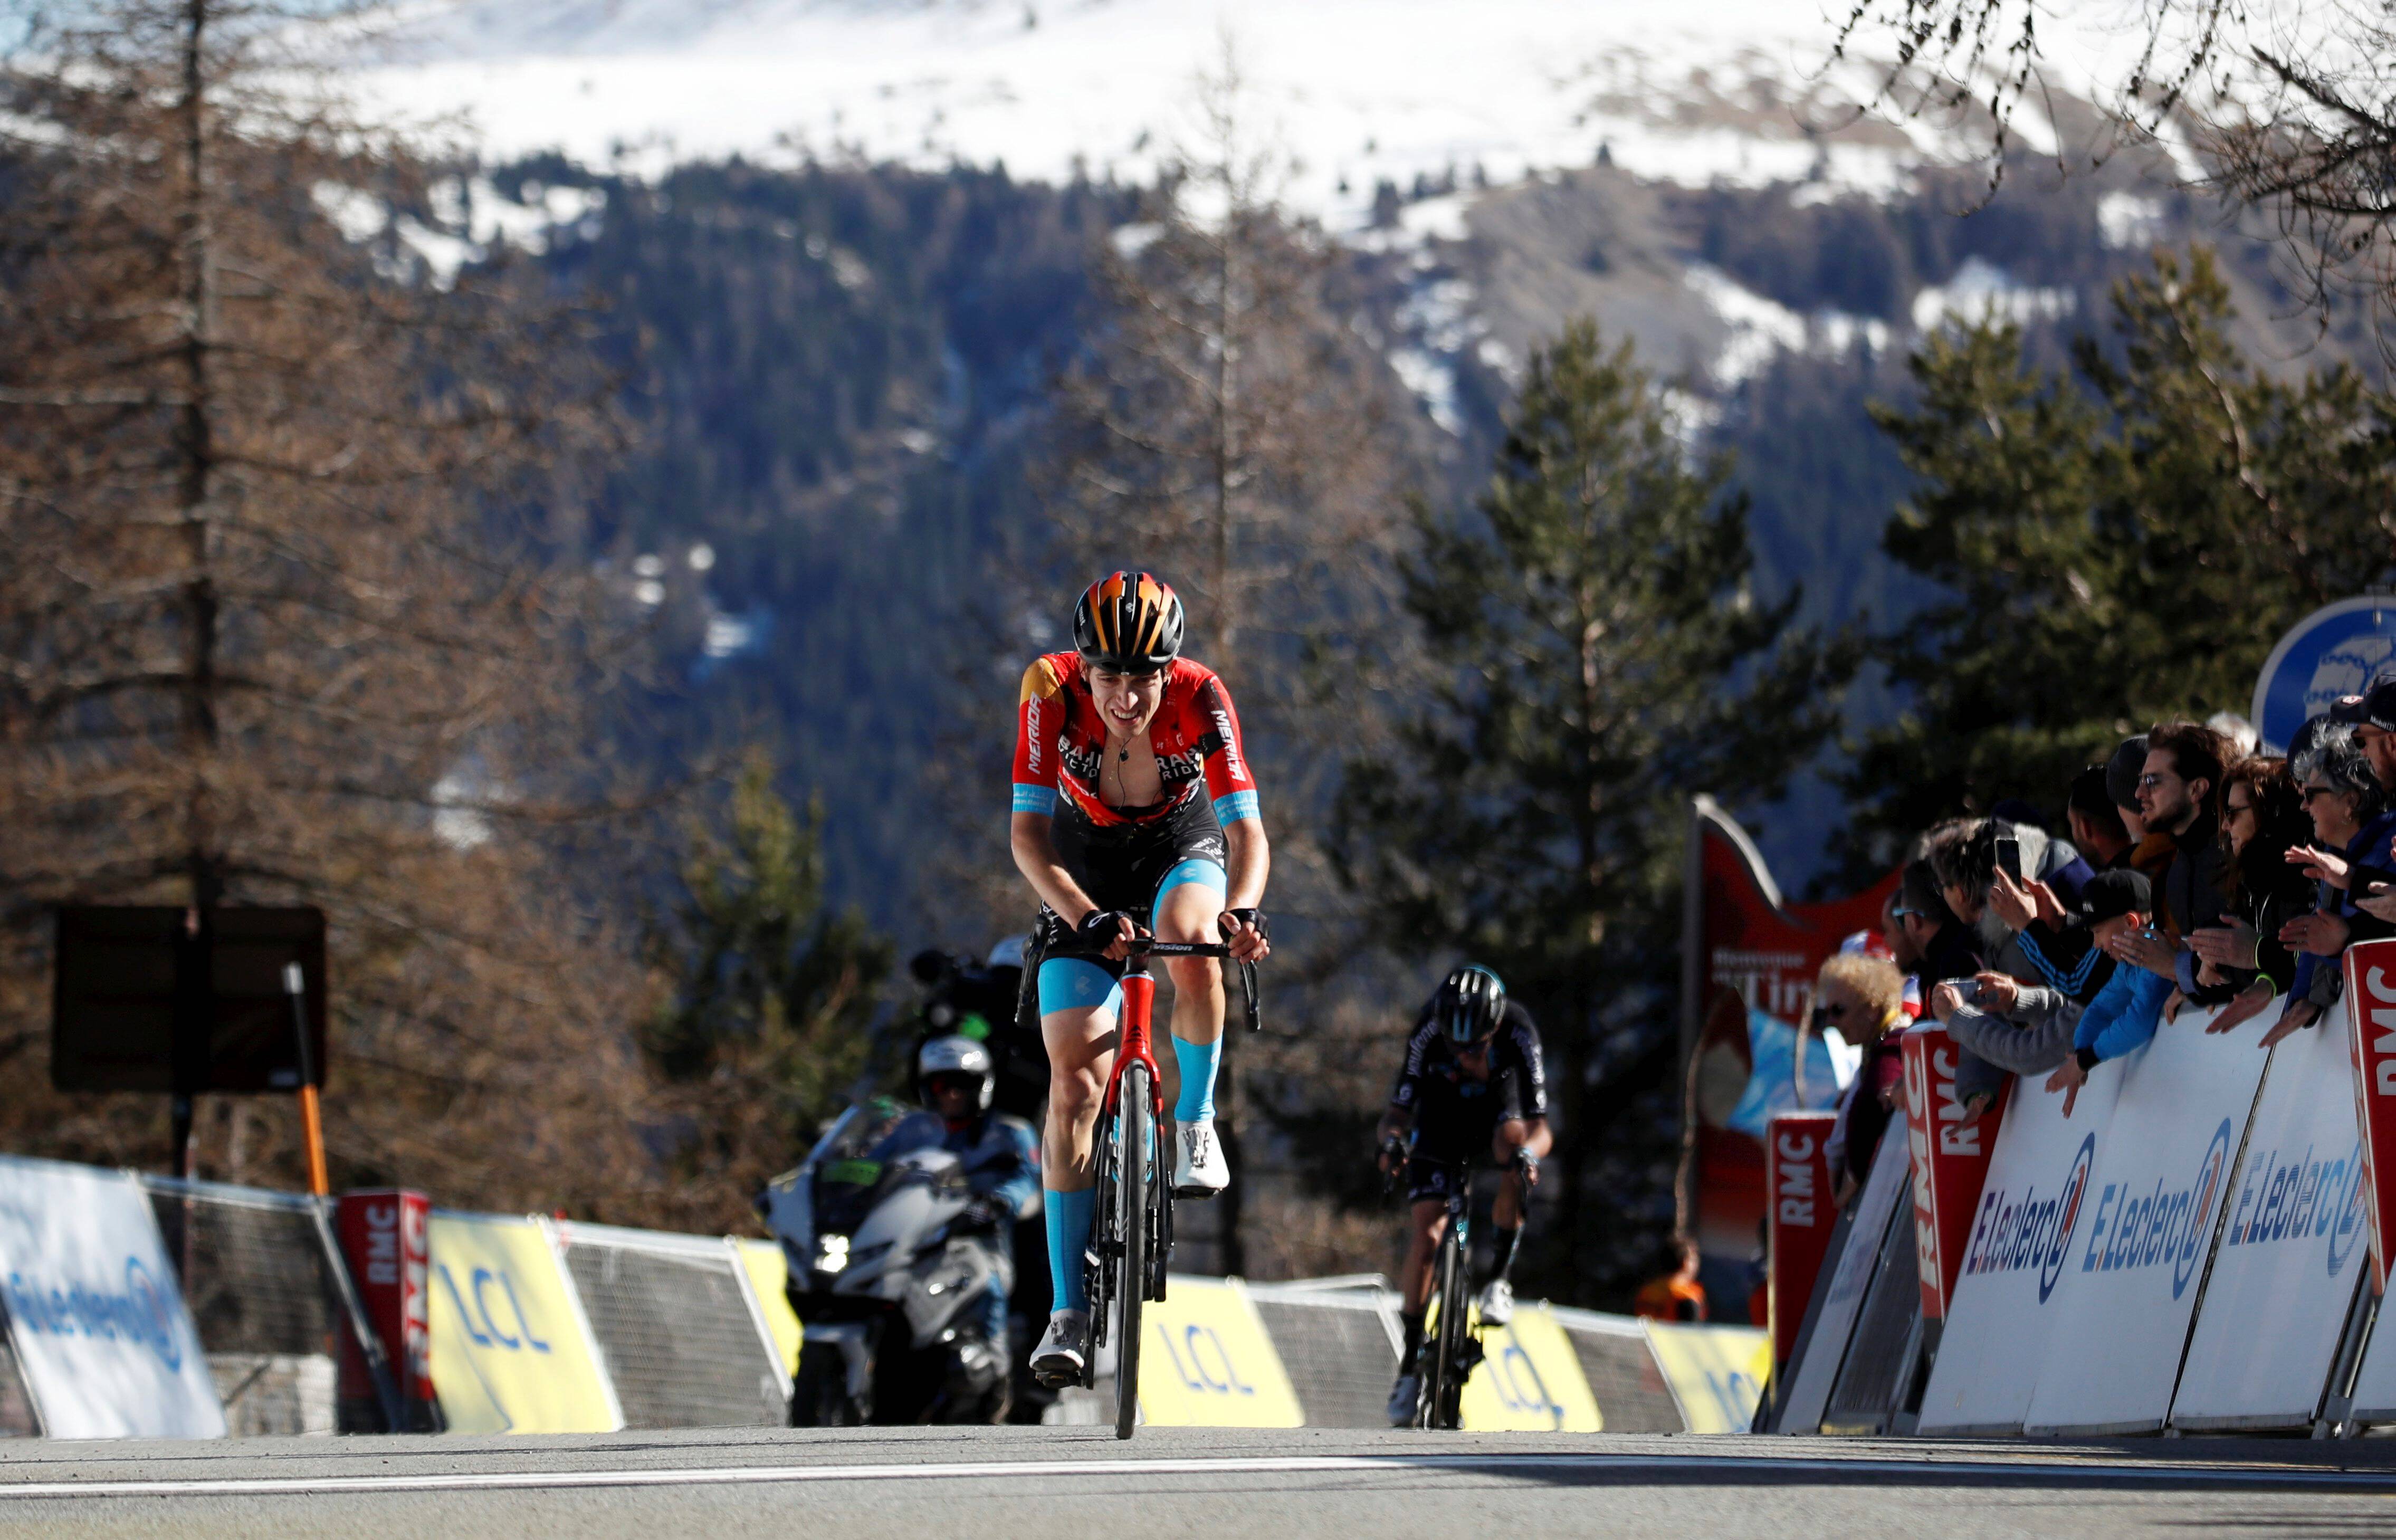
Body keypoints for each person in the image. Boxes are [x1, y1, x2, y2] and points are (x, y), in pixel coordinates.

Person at [1009, 571, 1272, 1385]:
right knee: (1073, 1087)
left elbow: (1249, 833)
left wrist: (1244, 911)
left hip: (1178, 849)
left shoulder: (1202, 696)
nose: (1127, 697)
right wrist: (1083, 915)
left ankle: (1192, 1121)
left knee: (1191, 941)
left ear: (1171, 669)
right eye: (1111, 677)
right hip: (1080, 863)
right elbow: (1027, 836)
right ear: (1084, 667)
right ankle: (1068, 1313)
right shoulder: (1048, 688)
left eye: (1144, 677)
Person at [1373, 964, 1552, 1426]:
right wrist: (1392, 1142)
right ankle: (1411, 1364)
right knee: (1428, 1236)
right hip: (1440, 1116)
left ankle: (1498, 1277)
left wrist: (1529, 1155)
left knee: (1513, 1152)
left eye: (1475, 1046)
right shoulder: (1428, 1031)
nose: (1465, 1054)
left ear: (1495, 1028)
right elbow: (1398, 1110)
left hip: (1499, 1111)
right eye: (1456, 1046)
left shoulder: (1518, 1031)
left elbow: (1539, 1126)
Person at [872, 1037, 1042, 1355]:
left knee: (987, 1285)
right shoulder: (910, 1128)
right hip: (903, 1241)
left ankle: (995, 1360)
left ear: (982, 1086)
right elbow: (873, 1168)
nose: (952, 1094)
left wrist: (999, 1201)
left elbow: (1028, 1180)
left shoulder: (1011, 1132)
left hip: (976, 1239)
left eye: (962, 1084)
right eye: (941, 1085)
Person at [2267, 726, 2396, 1045]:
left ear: (2350, 800)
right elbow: (2326, 938)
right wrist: (2304, 1000)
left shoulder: (2386, 851)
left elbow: (2378, 946)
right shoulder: (2336, 857)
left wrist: (2345, 942)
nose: (2303, 807)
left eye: (2311, 795)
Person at [2185, 757, 2312, 1037]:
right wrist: (2216, 961)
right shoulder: (2253, 879)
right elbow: (2249, 963)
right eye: (2223, 816)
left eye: (2233, 814)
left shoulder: (2300, 877)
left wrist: (2255, 954)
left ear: (2269, 812)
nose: (2225, 828)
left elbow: (2310, 963)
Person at [2043, 871, 2175, 1116]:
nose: (2096, 945)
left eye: (2098, 932)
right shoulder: (2128, 964)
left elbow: (2139, 1022)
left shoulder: (2157, 948)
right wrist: (2081, 1050)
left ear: (2130, 923)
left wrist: (2084, 1062)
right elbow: (2102, 1009)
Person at [1818, 951, 1908, 1206]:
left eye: (1838, 1011)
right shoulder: (1878, 1047)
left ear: (1871, 1008)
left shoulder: (1891, 1047)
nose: (1831, 1022)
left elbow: (1872, 1102)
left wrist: (1850, 1185)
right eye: (1825, 1013)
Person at [1634, 1237, 1708, 1323]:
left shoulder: (1647, 1290)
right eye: (1694, 1259)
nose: (1697, 1264)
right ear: (1686, 1262)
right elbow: (1691, 1331)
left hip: (1646, 1336)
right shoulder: (1687, 1296)